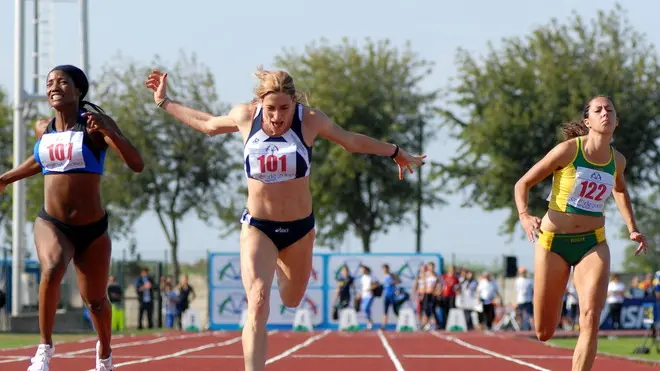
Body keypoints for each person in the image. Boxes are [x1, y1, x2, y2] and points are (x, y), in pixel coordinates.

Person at [144, 66, 424, 370]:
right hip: (258, 228)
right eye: (270, 108)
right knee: (259, 301)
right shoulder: (244, 117)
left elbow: (351, 141)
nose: (277, 117)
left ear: (295, 103)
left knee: (291, 300)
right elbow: (209, 124)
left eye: (284, 109)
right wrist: (164, 102)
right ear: (259, 103)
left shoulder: (310, 121)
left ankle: (278, 262)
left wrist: (394, 151)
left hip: (299, 230)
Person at [0, 64, 144, 371]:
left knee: (95, 301)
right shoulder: (43, 128)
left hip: (92, 230)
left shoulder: (92, 127)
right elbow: (39, 160)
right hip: (52, 222)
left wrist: (109, 130)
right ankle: (44, 349)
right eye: (50, 82)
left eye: (63, 82)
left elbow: (136, 164)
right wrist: (6, 178)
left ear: (78, 91)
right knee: (51, 268)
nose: (54, 87)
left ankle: (104, 355)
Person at [514, 95, 648, 371]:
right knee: (544, 331)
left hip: (592, 243)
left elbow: (620, 190)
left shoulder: (617, 160)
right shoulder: (568, 151)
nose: (605, 113)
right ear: (588, 121)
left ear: (616, 121)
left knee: (590, 317)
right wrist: (525, 215)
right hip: (553, 243)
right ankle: (556, 295)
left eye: (609, 109)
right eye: (598, 110)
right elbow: (523, 183)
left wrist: (632, 228)